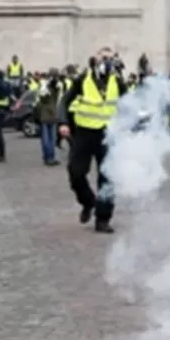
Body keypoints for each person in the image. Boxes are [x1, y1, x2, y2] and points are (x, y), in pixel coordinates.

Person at [59, 53, 122, 233]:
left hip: (107, 135)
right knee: (76, 173)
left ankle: (103, 219)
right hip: (83, 134)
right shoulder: (82, 80)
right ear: (94, 62)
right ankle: (88, 202)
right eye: (103, 58)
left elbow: (128, 103)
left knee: (107, 179)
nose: (107, 62)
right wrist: (63, 122)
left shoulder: (117, 81)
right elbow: (65, 101)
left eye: (110, 59)